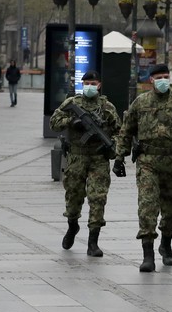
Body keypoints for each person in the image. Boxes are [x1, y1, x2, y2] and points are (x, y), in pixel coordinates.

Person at [115, 64, 172, 272]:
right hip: (148, 162)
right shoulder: (141, 102)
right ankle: (148, 254)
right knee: (147, 206)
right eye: (159, 77)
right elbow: (126, 131)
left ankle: (166, 243)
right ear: (151, 80)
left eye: (166, 76)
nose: (163, 80)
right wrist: (120, 156)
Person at [49, 70, 121, 257]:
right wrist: (72, 122)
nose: (89, 86)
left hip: (98, 159)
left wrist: (113, 147)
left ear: (99, 85)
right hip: (76, 157)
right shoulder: (72, 104)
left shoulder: (107, 108)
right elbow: (54, 122)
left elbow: (120, 132)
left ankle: (93, 242)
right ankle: (72, 226)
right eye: (86, 82)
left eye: (93, 83)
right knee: (73, 197)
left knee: (98, 198)